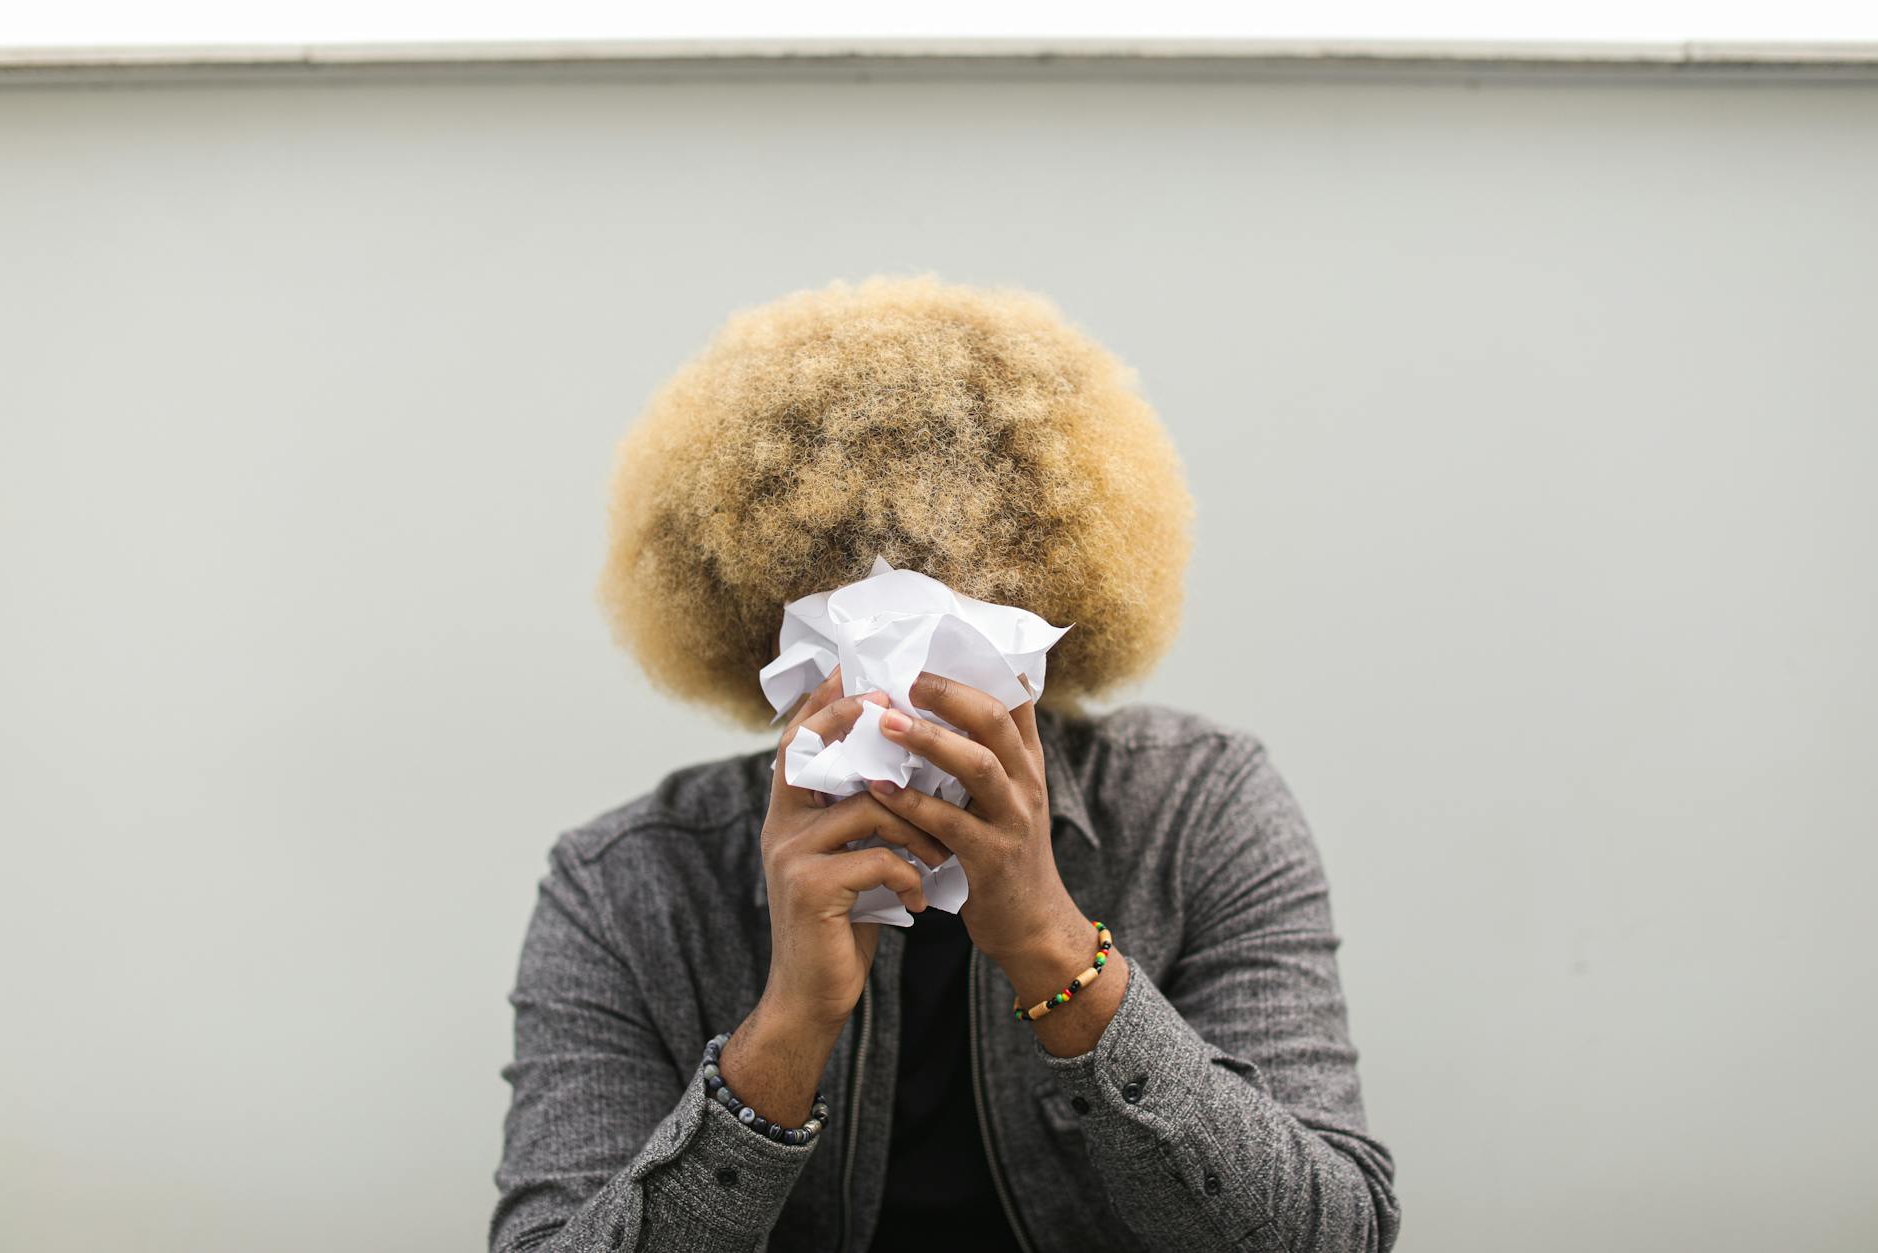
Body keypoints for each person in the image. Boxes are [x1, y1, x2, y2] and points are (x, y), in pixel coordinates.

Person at [489, 274, 1400, 1253]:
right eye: (851, 605)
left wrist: (1055, 947)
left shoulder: (1196, 810)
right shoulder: (626, 884)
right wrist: (789, 1024)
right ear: (764, 622)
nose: (907, 679)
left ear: (1049, 600)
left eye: (960, 618)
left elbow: (1334, 1232)